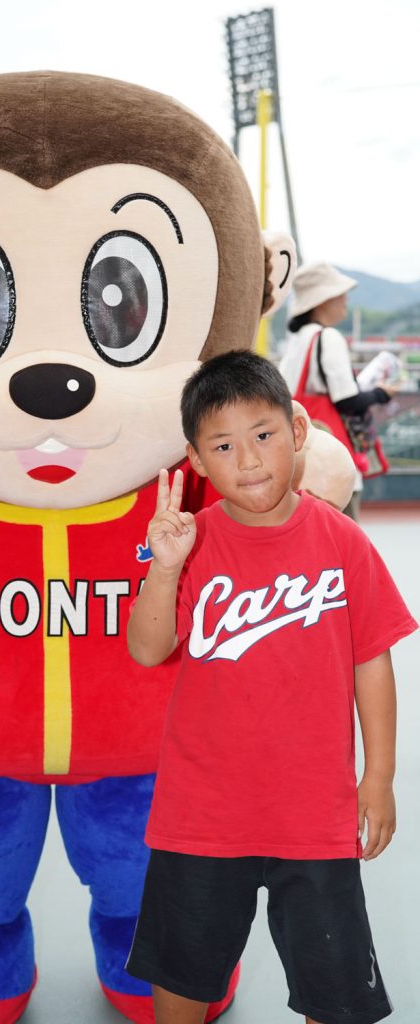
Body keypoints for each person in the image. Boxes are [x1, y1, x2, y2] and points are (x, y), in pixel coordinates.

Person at [125, 350, 416, 1024]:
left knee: (334, 986)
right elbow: (147, 648)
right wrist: (163, 570)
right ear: (196, 460)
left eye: (262, 434)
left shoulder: (342, 542)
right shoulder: (190, 544)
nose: (249, 460)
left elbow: (371, 661)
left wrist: (378, 776)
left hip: (314, 811)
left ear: (297, 429)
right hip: (200, 812)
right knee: (182, 972)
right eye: (223, 446)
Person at [279, 261, 397, 520]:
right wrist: (380, 393)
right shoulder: (328, 337)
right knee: (341, 531)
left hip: (298, 461)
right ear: (322, 301)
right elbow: (347, 400)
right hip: (329, 461)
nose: (345, 299)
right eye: (339, 294)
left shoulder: (296, 341)